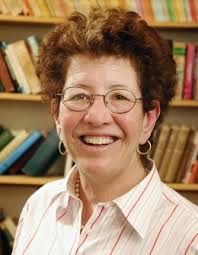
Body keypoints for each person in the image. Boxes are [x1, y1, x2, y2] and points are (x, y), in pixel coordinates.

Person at [12, 7, 198, 255]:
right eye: (79, 96)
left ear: (148, 119)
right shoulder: (39, 206)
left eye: (119, 97)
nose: (96, 117)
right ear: (57, 114)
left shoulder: (189, 239)